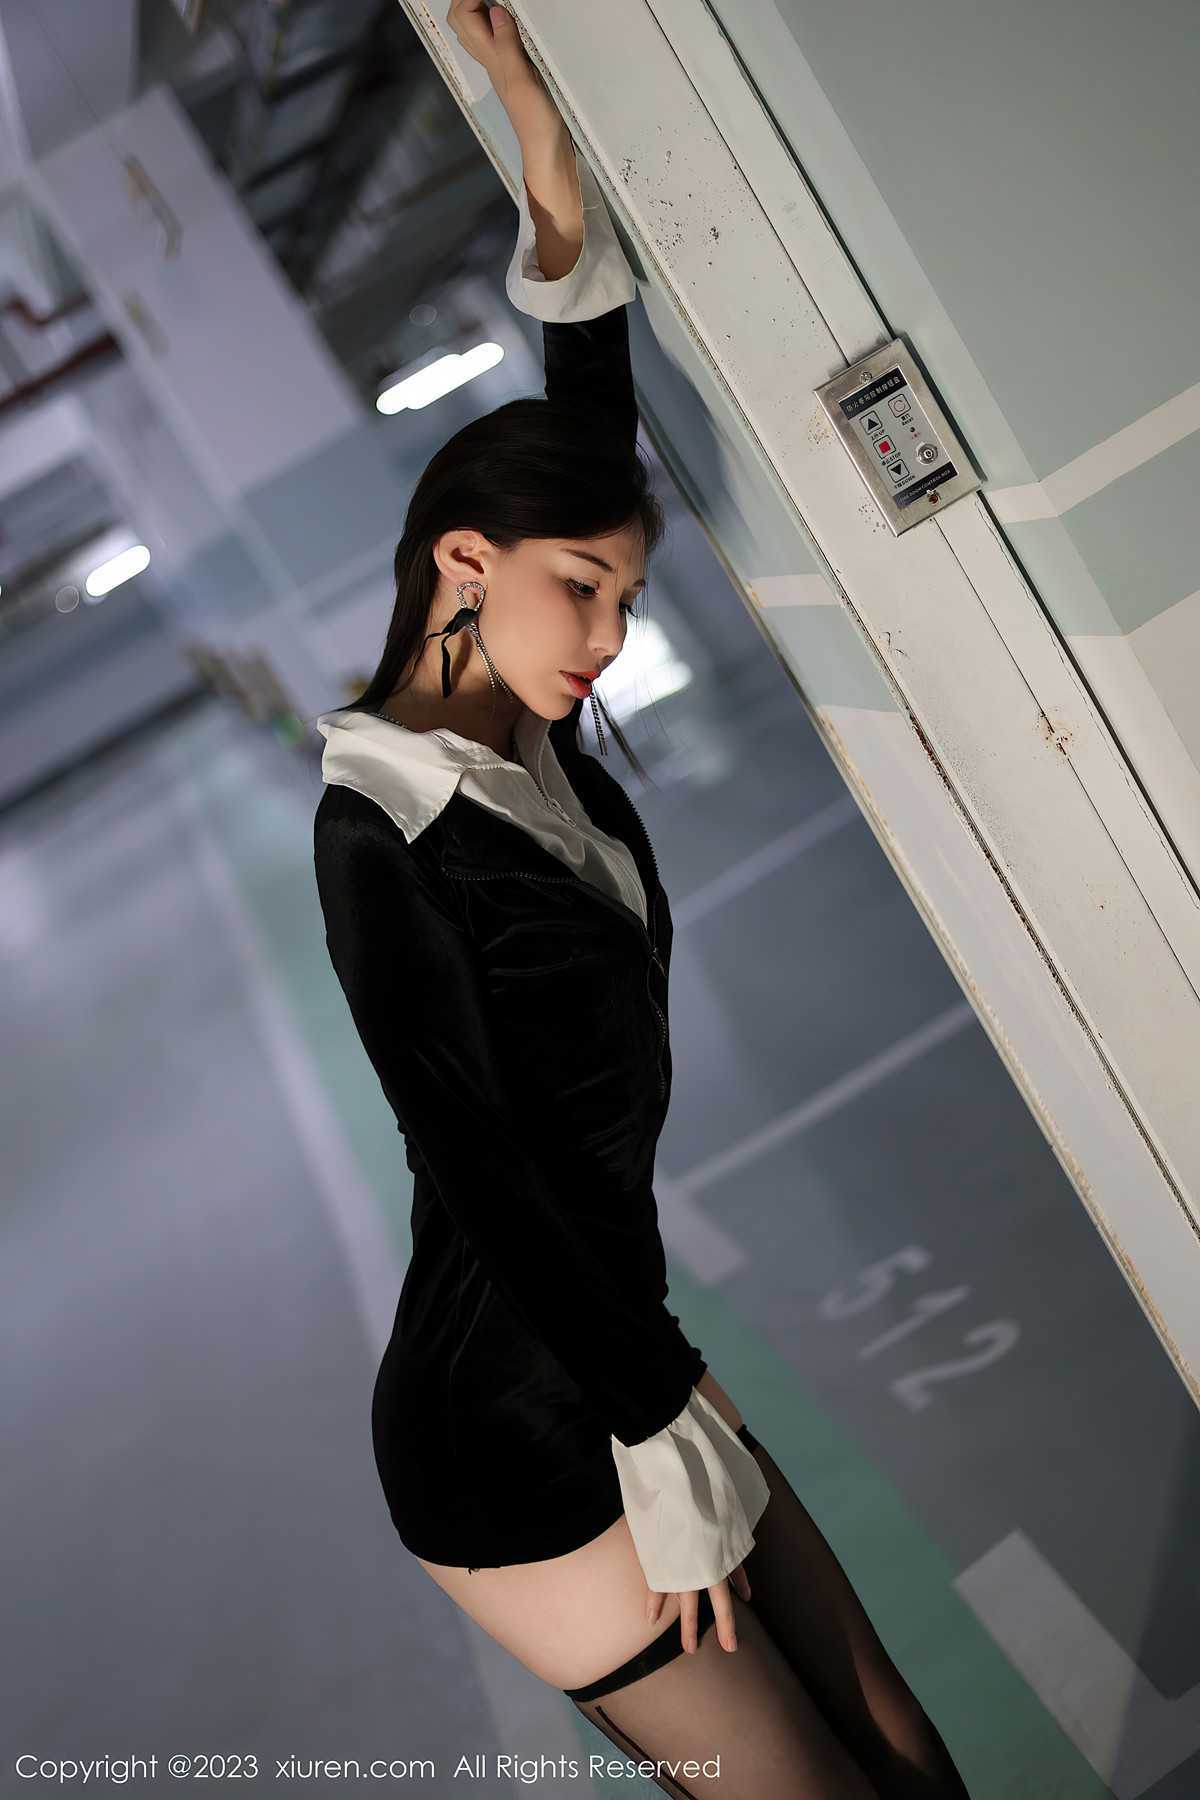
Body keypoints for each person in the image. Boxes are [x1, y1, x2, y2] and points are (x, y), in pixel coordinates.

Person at [311, 4, 972, 1794]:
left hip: (624, 1352)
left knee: (907, 1753)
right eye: (584, 594)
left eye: (624, 599)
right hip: (508, 1439)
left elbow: (579, 436)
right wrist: (649, 1427)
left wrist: (537, 143)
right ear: (464, 567)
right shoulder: (381, 836)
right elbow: (482, 1168)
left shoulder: (519, 733)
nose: (609, 638)